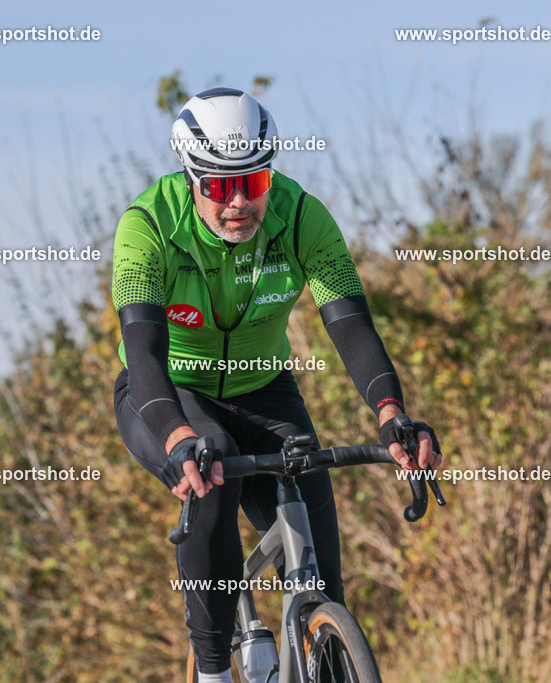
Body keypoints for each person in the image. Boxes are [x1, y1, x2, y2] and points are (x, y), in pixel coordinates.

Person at [111, 87, 442, 682]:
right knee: (210, 480)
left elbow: (349, 323)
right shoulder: (147, 226)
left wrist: (392, 412)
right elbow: (143, 349)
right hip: (167, 393)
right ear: (190, 177)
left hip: (265, 391)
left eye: (254, 182)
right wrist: (178, 434)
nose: (238, 201)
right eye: (218, 185)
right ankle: (212, 671)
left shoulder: (303, 217)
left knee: (320, 579)